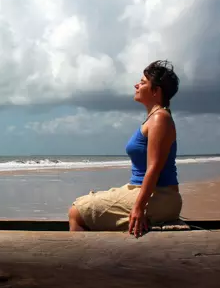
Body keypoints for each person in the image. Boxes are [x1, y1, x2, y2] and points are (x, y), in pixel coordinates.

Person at [68, 60, 182, 238]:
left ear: (155, 91)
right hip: (142, 190)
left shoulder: (160, 119)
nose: (136, 85)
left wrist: (139, 207)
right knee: (87, 201)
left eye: (143, 82)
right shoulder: (153, 118)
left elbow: (154, 168)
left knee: (76, 212)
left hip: (160, 196)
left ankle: (83, 263)